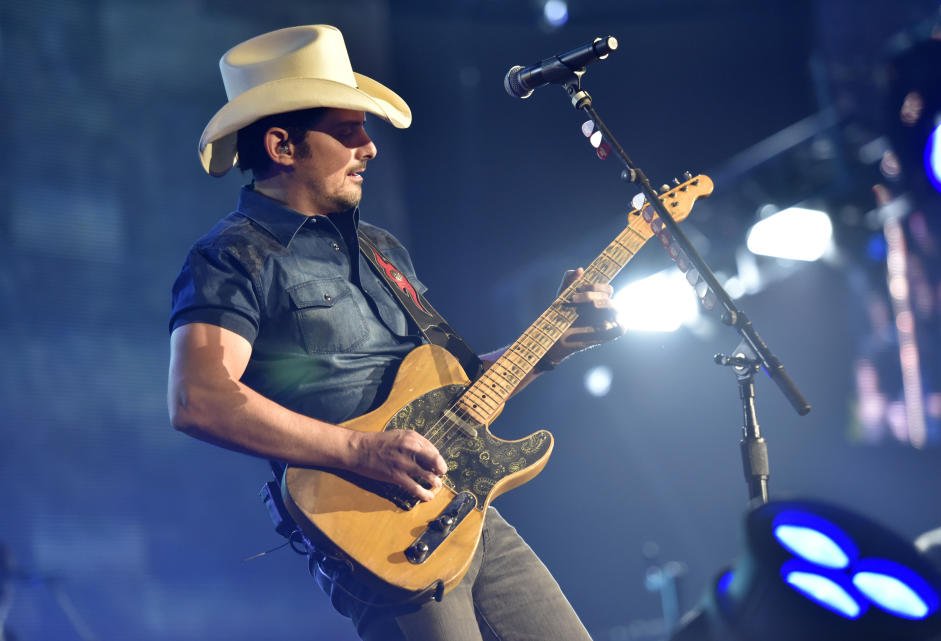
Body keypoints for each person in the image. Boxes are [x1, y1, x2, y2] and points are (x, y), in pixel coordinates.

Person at [168, 24, 624, 641]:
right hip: (375, 532)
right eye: (347, 130)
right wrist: (360, 451)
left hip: (469, 506)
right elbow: (199, 398)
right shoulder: (232, 255)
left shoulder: (382, 248)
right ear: (282, 145)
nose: (369, 147)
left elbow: (455, 393)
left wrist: (550, 347)